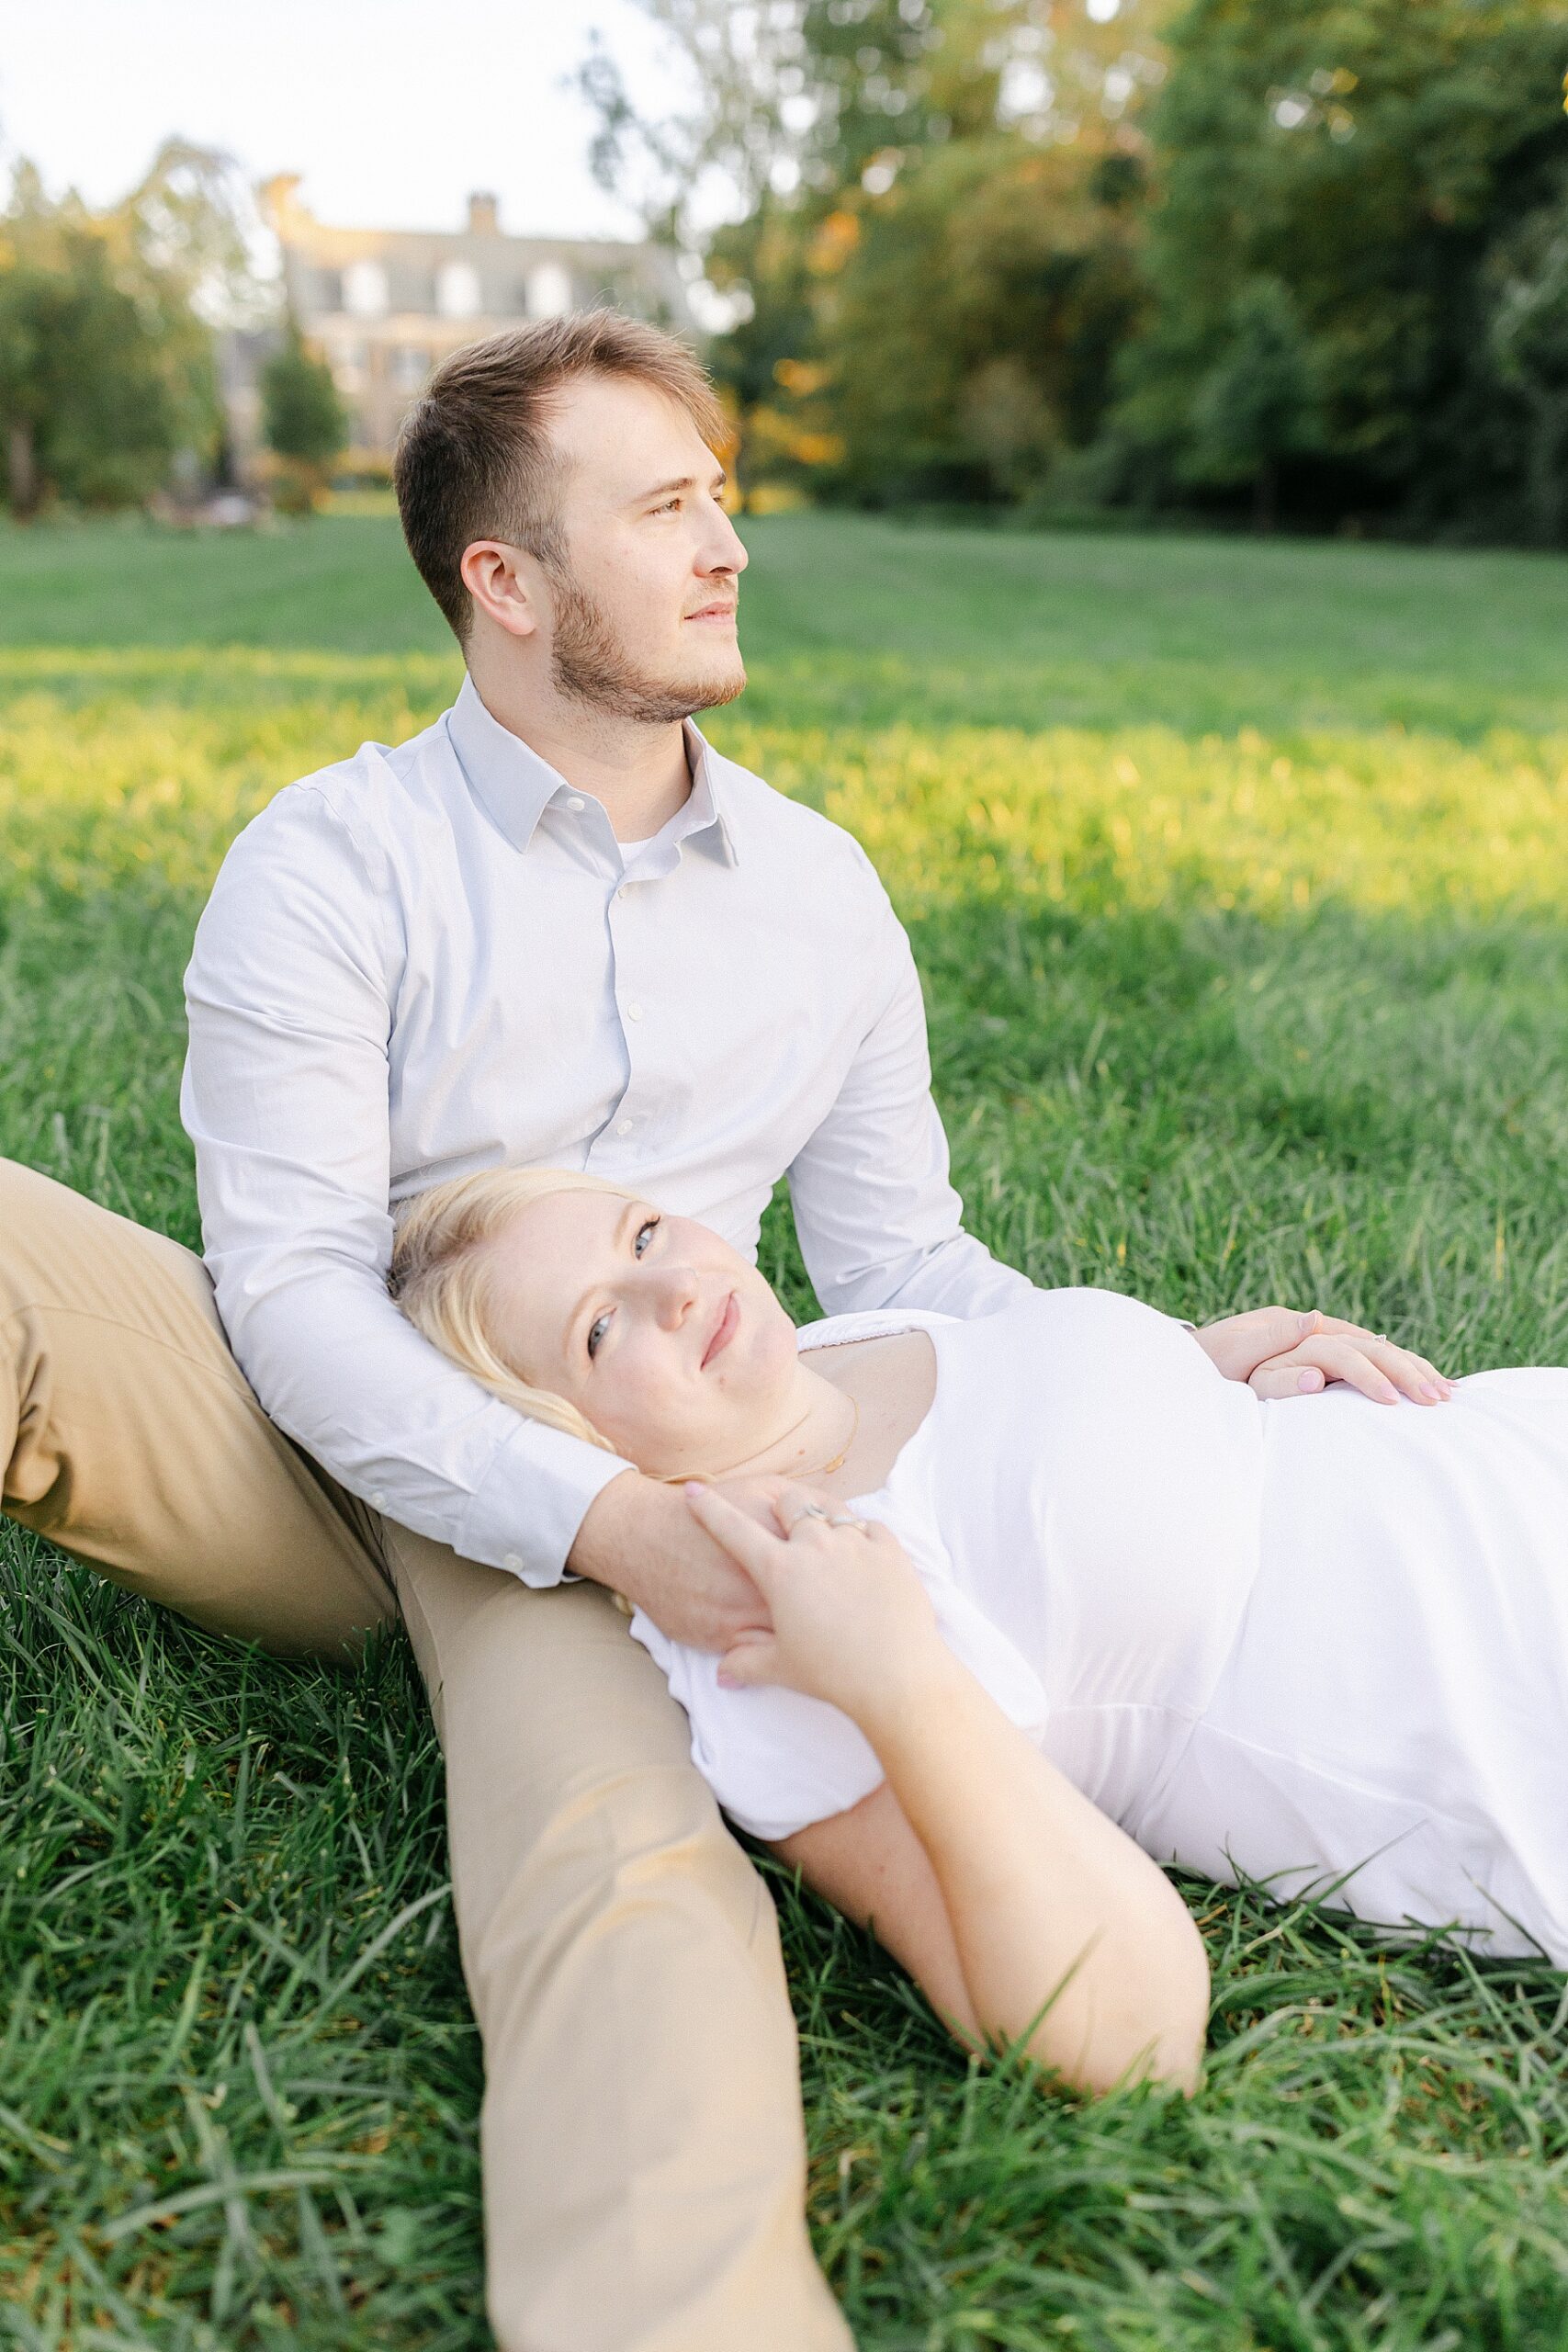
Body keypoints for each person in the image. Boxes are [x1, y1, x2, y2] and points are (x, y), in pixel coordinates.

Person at [0, 311, 1428, 2351]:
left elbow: (905, 1265)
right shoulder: (332, 864)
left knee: (620, 1874)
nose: (725, 541)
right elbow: (295, 1290)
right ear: (502, 582)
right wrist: (591, 1514)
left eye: (720, 496)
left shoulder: (821, 894)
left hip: (667, 1453)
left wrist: (1158, 1354)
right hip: (310, 1436)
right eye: (663, 504)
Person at [389, 1160, 1568, 2096]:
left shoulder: (843, 1346)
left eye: (642, 1234)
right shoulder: (775, 1616)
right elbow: (1127, 2036)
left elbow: (1036, 1473)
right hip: (1500, 1690)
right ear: (561, 1455)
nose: (676, 1288)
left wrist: (1185, 1377)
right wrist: (899, 1679)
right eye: (600, 1330)